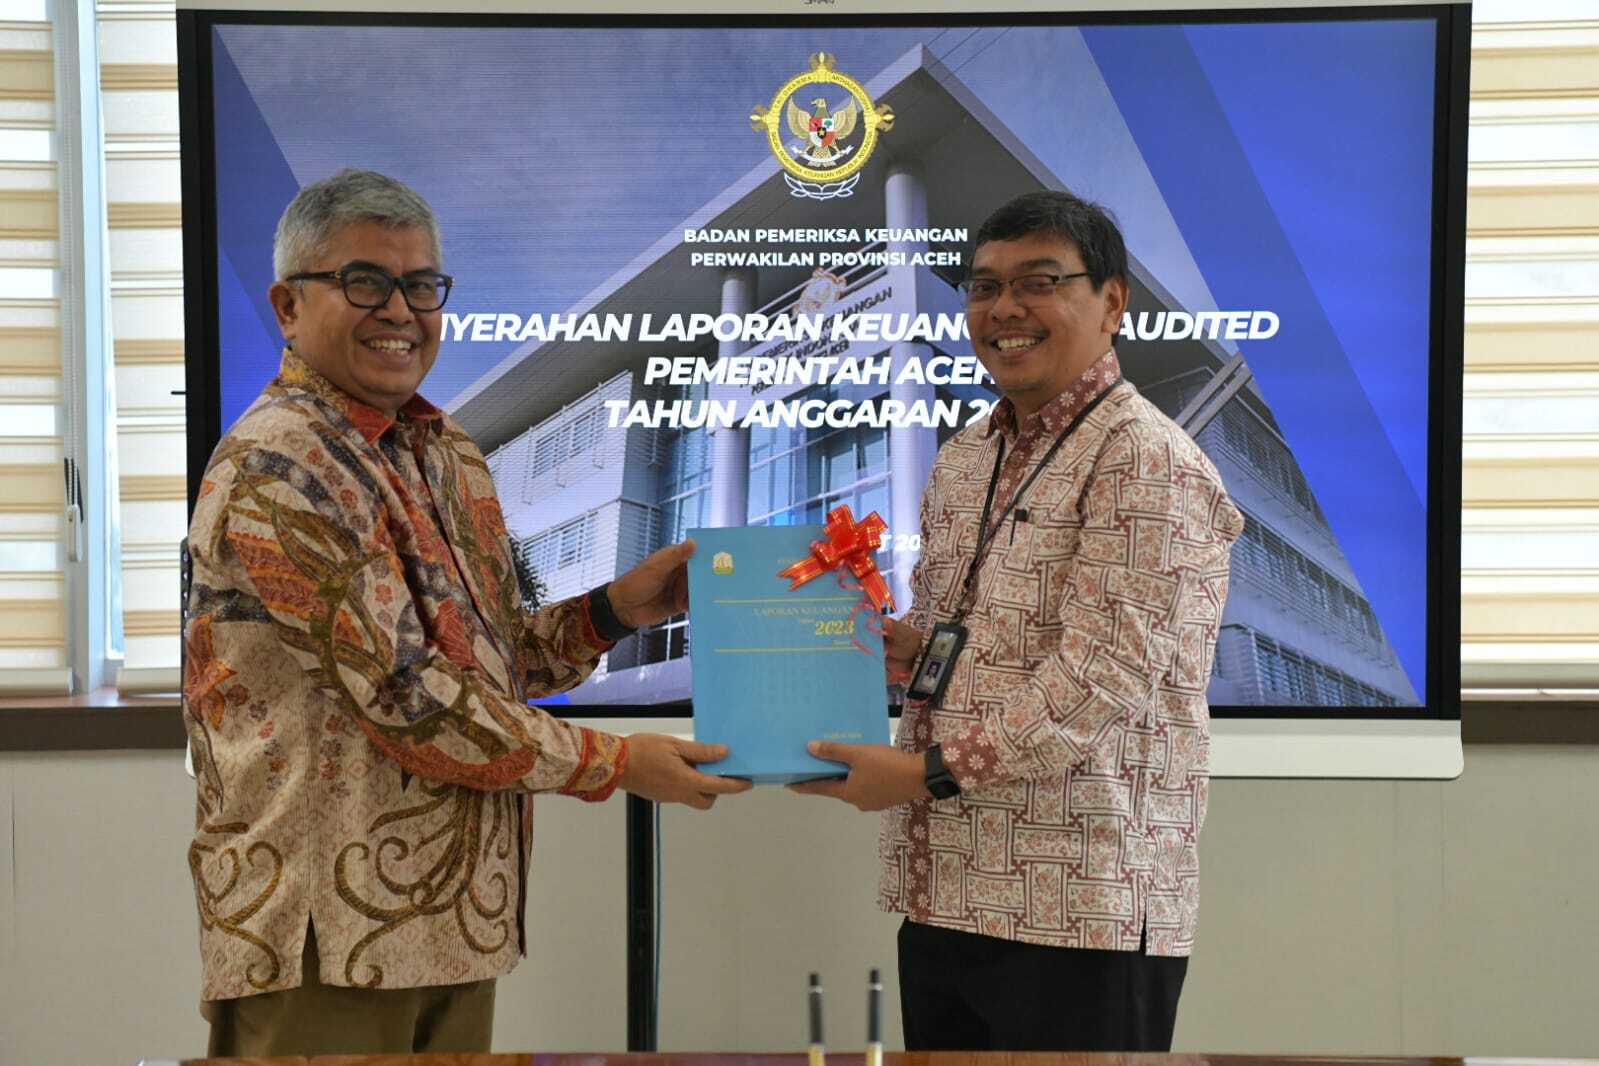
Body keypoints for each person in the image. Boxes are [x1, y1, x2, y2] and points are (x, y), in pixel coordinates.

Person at [182, 168, 750, 1057]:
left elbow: (487, 663)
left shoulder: (445, 451)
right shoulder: (279, 464)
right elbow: (407, 696)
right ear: (288, 305)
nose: (399, 311)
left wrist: (613, 611)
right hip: (322, 936)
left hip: (453, 924)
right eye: (364, 281)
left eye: (421, 285)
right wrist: (615, 761)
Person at [791, 190, 1243, 1051]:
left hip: (1081, 907)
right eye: (983, 286)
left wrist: (918, 773)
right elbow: (961, 639)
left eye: (1038, 282)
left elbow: (1097, 683)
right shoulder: (966, 456)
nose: (1003, 309)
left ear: (1111, 302)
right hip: (945, 889)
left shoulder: (1147, 459)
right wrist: (899, 648)